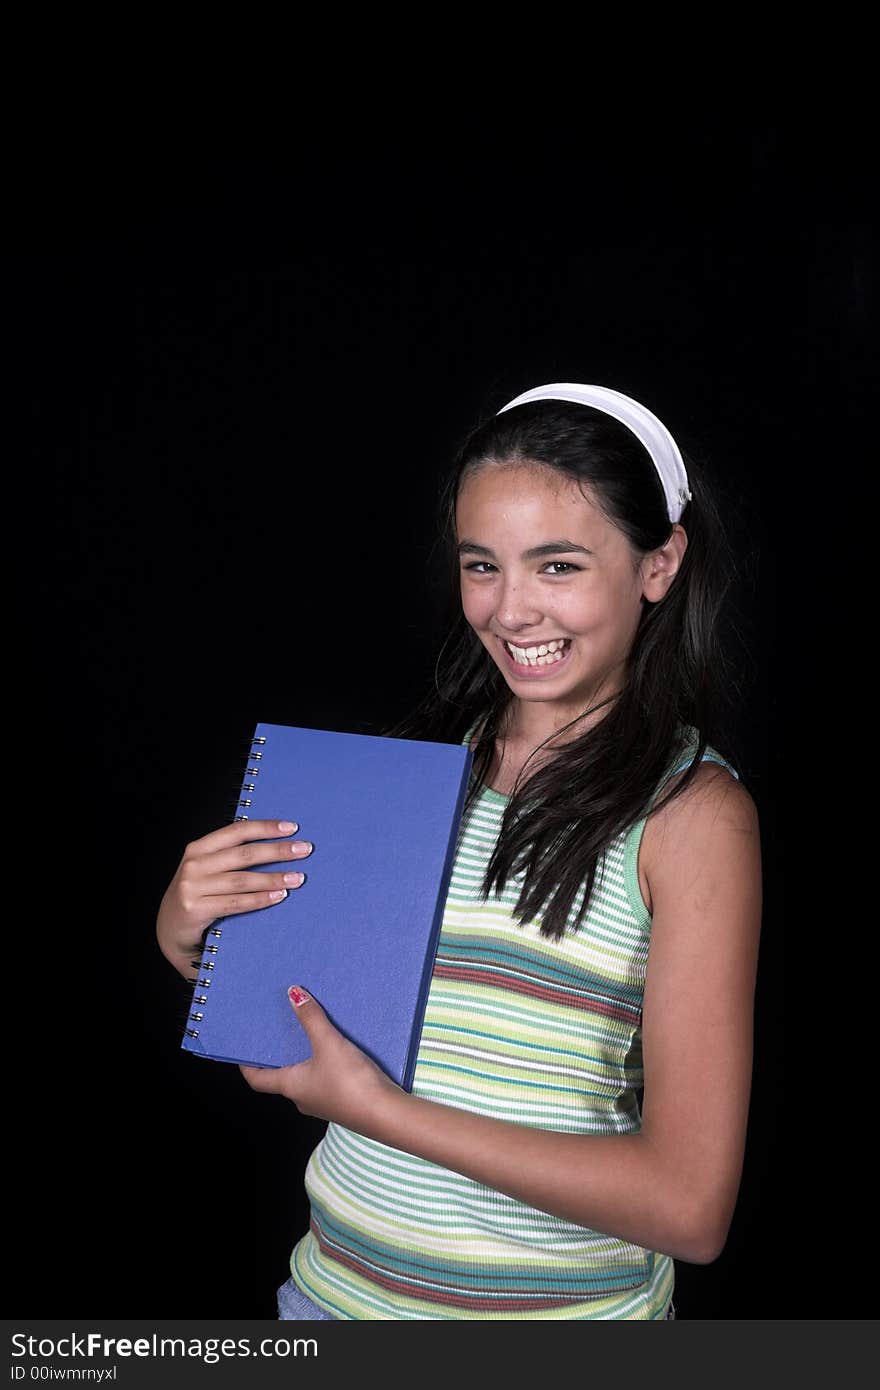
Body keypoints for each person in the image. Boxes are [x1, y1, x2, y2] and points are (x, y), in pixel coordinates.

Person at [156, 382, 762, 1320]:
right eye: (483, 565)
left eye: (557, 566)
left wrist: (377, 1112)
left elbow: (688, 1207)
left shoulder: (692, 817)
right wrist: (187, 930)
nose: (512, 611)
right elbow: (288, 1003)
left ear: (660, 564)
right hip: (330, 1305)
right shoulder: (411, 772)